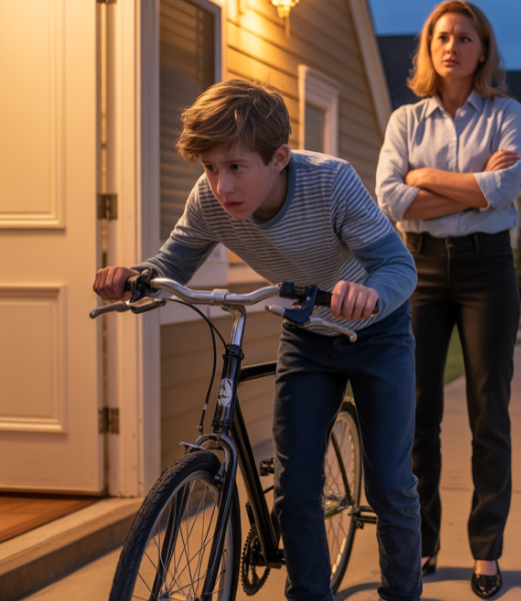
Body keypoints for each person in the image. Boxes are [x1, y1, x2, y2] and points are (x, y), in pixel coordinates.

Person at [94, 79, 422, 601]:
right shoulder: (208, 200)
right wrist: (133, 277)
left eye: (235, 167)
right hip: (307, 335)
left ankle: (403, 593)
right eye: (209, 168)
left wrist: (370, 296)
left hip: (375, 331)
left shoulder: (331, 183)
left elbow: (398, 265)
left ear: (279, 158)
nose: (221, 186)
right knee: (294, 489)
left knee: (390, 484)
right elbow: (171, 263)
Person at [375, 0, 521, 600]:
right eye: (442, 36)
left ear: (482, 50)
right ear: (428, 47)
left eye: (465, 38)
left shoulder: (507, 113)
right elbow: (389, 198)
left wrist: (424, 179)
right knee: (416, 413)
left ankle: (486, 550)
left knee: (489, 411)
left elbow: (504, 187)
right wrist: (473, 191)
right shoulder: (405, 121)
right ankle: (423, 540)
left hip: (490, 270)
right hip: (419, 268)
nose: (452, 46)